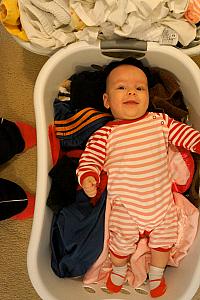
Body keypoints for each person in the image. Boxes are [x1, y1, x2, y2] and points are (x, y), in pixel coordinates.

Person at [76, 57, 200, 297]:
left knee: (165, 239)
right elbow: (89, 159)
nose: (131, 91)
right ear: (107, 101)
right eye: (121, 87)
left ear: (147, 97)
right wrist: (88, 176)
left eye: (139, 88)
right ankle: (119, 270)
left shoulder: (159, 122)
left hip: (162, 204)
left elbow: (187, 135)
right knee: (119, 242)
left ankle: (156, 276)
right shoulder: (105, 134)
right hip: (126, 205)